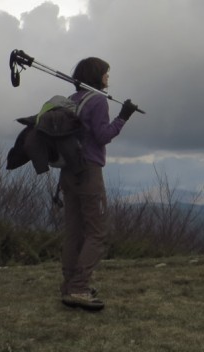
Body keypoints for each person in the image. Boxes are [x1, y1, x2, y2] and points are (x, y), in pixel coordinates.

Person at [59, 56, 138, 310]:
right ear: (96, 76)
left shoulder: (73, 100)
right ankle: (79, 288)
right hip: (89, 171)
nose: (108, 78)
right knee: (97, 231)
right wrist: (123, 117)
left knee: (74, 230)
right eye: (106, 74)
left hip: (68, 172)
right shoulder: (98, 101)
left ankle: (69, 284)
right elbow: (103, 136)